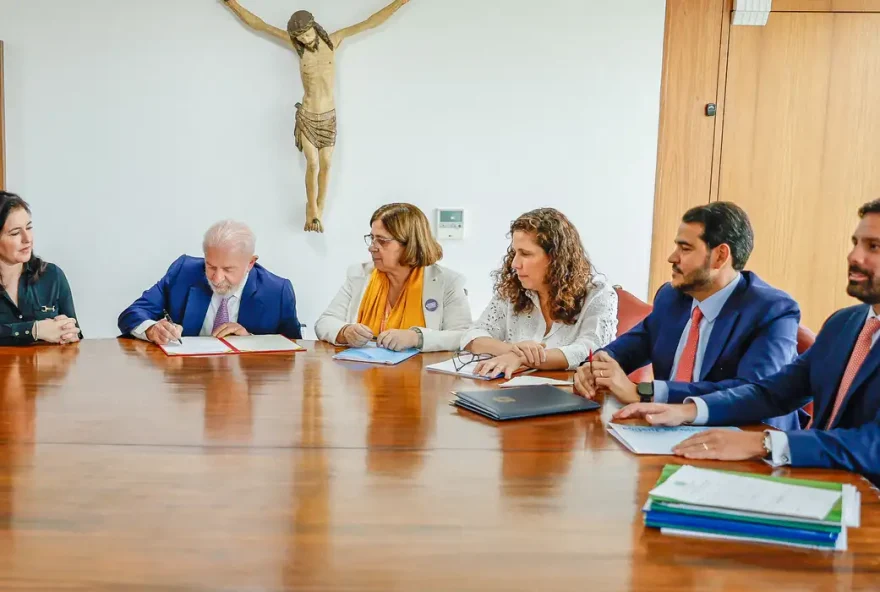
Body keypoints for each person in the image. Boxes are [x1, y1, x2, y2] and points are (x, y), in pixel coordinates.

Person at [614, 199, 880, 486]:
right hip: (817, 481)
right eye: (855, 242)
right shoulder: (845, 323)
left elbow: (874, 444)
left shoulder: (773, 307)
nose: (854, 256)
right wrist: (686, 410)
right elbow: (773, 392)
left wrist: (764, 443)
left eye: (873, 247)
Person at [574, 202, 802, 431]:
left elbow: (753, 390)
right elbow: (633, 344)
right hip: (667, 431)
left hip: (745, 436)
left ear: (720, 256)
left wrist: (645, 393)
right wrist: (597, 365)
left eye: (685, 249)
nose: (672, 257)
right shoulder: (671, 297)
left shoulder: (772, 310)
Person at [461, 208, 618, 379]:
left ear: (557, 259)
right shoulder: (514, 287)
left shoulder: (598, 293)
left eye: (526, 254)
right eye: (515, 253)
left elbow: (590, 349)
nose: (515, 264)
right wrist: (515, 351)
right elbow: (474, 335)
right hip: (513, 391)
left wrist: (521, 358)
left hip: (573, 394)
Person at [315, 203, 471, 352]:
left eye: (382, 241)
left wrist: (416, 337)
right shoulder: (359, 274)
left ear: (410, 243)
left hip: (421, 376)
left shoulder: (448, 281)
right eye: (372, 238)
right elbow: (324, 322)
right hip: (362, 374)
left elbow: (463, 336)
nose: (371, 247)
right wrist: (345, 331)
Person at [118, 220, 302, 344]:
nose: (216, 278)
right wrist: (151, 328)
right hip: (190, 384)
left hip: (245, 387)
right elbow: (132, 314)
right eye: (211, 266)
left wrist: (251, 341)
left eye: (228, 269)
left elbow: (294, 349)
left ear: (250, 263)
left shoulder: (277, 292)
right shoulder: (183, 271)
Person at [0, 191, 81, 346]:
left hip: (46, 369)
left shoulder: (52, 275)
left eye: (29, 228)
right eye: (15, 233)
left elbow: (76, 335)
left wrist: (69, 333)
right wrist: (34, 330)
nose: (27, 239)